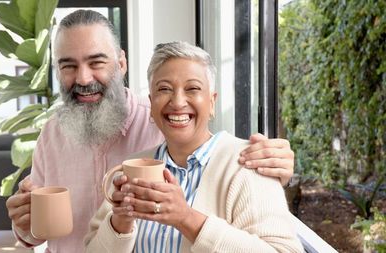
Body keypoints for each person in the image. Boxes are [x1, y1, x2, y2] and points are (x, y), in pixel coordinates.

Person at [6, 10, 296, 253]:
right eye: (69, 66)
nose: (83, 78)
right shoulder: (53, 133)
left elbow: (213, 150)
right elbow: (42, 232)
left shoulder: (167, 124)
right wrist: (24, 226)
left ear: (121, 64)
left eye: (96, 62)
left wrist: (277, 164)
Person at [84, 41, 303, 252]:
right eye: (164, 89)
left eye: (192, 88)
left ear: (212, 102)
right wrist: (120, 222)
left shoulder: (248, 162)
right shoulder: (133, 167)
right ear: (151, 105)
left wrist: (186, 218)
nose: (178, 102)